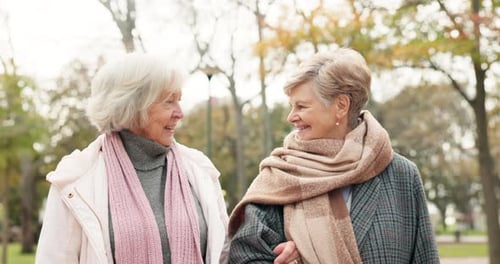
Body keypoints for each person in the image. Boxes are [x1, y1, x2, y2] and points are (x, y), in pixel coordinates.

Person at [35, 53, 298, 264]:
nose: (180, 113)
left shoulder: (199, 170)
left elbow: (224, 254)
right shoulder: (77, 179)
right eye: (168, 102)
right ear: (132, 107)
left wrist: (273, 255)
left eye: (179, 100)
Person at [228, 48, 440, 263]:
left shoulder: (401, 175)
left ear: (341, 106)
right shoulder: (279, 176)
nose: (291, 117)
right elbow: (243, 257)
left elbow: (425, 258)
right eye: (292, 106)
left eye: (301, 106)